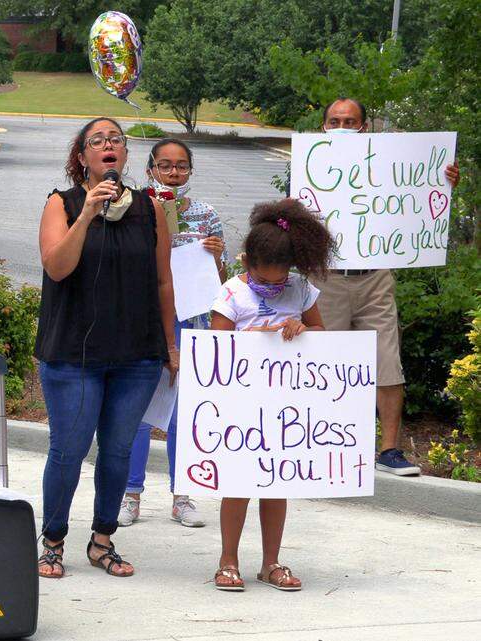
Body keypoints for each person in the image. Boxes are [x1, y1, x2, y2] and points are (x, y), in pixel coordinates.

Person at [35, 118, 178, 579]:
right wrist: (86, 215)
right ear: (82, 158)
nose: (108, 145)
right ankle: (53, 540)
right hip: (74, 354)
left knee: (118, 451)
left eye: (115, 139)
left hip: (135, 352)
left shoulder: (149, 209)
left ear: (124, 155)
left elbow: (162, 279)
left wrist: (170, 344)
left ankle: (102, 540)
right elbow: (57, 268)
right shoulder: (62, 203)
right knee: (69, 450)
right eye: (97, 141)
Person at [314, 98, 460, 476]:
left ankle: (389, 451)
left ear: (364, 127)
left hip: (375, 276)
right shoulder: (310, 165)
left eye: (350, 120)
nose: (343, 126)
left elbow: (417, 199)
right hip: (327, 277)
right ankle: (320, 445)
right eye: (335, 120)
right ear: (324, 126)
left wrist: (442, 182)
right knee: (321, 364)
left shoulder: (386, 163)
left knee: (386, 363)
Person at [209, 198, 335, 592]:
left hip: (286, 406)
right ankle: (228, 559)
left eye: (279, 281)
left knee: (276, 481)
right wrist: (246, 341)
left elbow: (322, 335)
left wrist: (301, 329)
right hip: (241, 407)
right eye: (265, 281)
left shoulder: (301, 290)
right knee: (239, 483)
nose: (273, 287)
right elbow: (214, 349)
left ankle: (270, 562)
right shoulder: (232, 294)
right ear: (247, 263)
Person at [119, 139, 227, 529]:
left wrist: (215, 254)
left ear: (190, 172)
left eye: (181, 166)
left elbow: (223, 281)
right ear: (150, 169)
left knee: (184, 412)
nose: (173, 173)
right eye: (165, 166)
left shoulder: (205, 214)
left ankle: (182, 494)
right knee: (140, 411)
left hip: (191, 323)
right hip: (144, 321)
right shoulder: (133, 207)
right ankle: (130, 494)